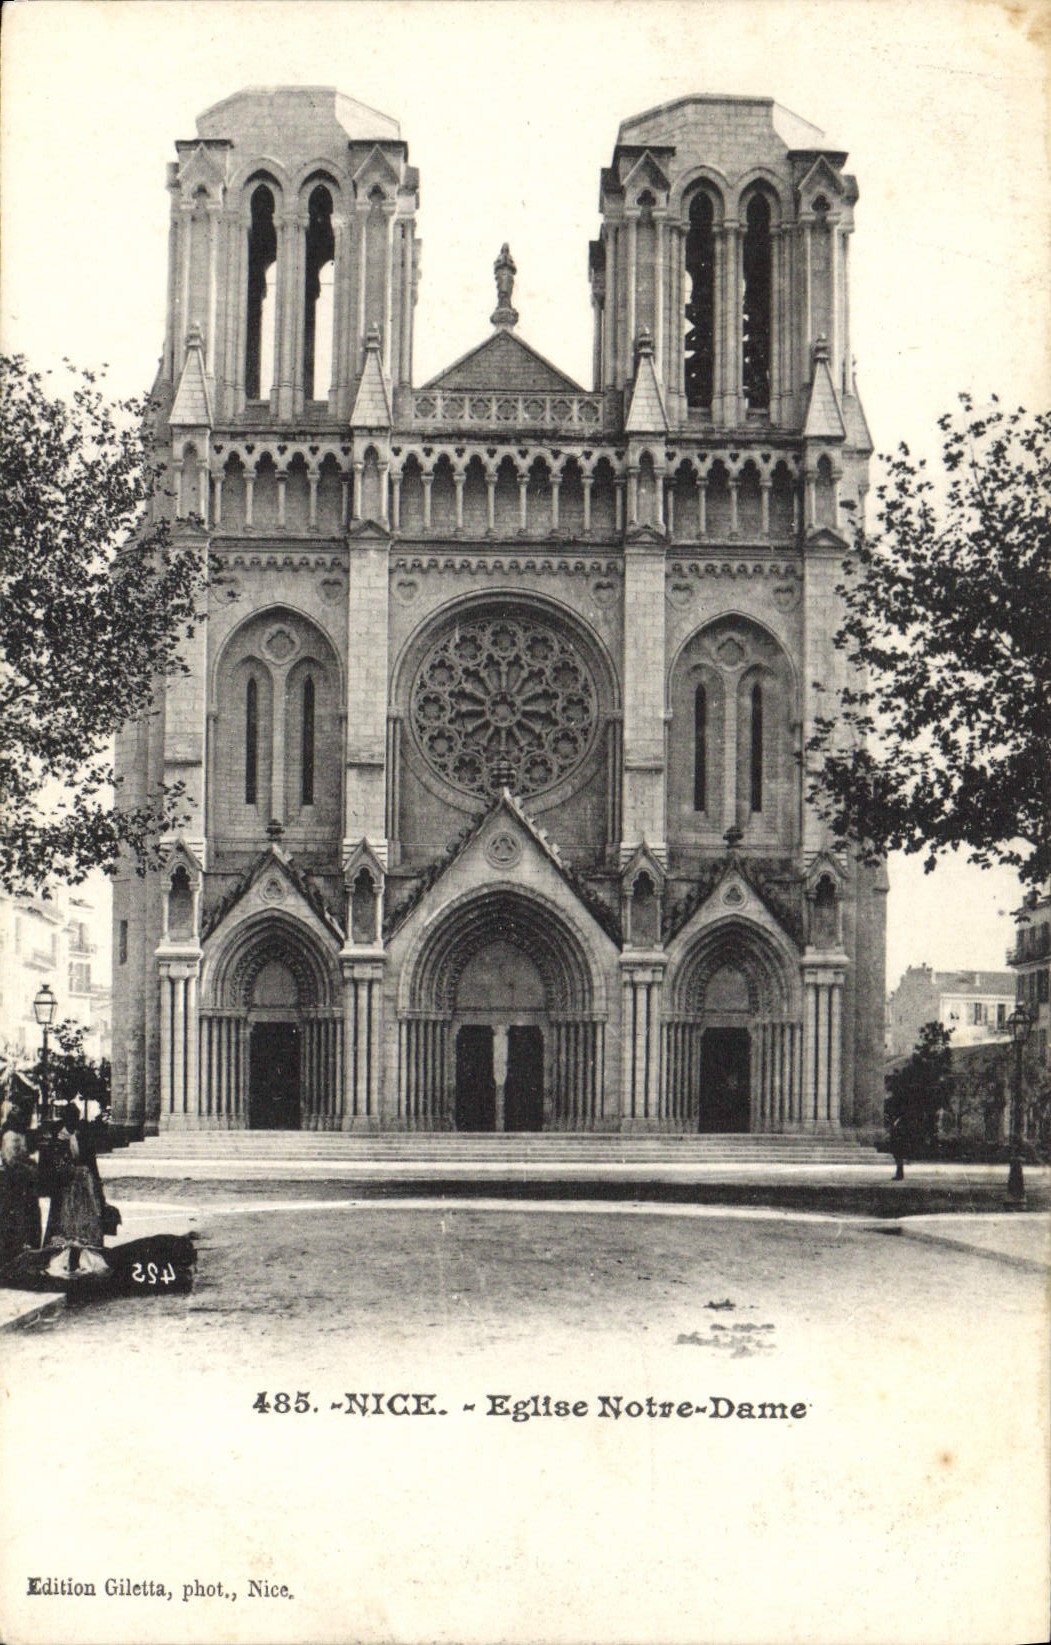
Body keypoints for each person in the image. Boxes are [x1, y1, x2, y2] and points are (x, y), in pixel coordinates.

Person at [42, 1102, 108, 1249]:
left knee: (85, 1218)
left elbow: (91, 1162)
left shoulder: (81, 1136)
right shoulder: (58, 1139)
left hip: (84, 1185)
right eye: (71, 1119)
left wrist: (97, 1183)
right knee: (63, 1220)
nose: (74, 1122)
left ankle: (87, 1248)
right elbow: (54, 1166)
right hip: (66, 1186)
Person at [0, 1105, 42, 1267]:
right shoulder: (10, 1136)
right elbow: (11, 1160)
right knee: (15, 1215)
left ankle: (27, 1249)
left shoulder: (20, 1135)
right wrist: (29, 1168)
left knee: (28, 1214)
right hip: (14, 1182)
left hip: (25, 1182)